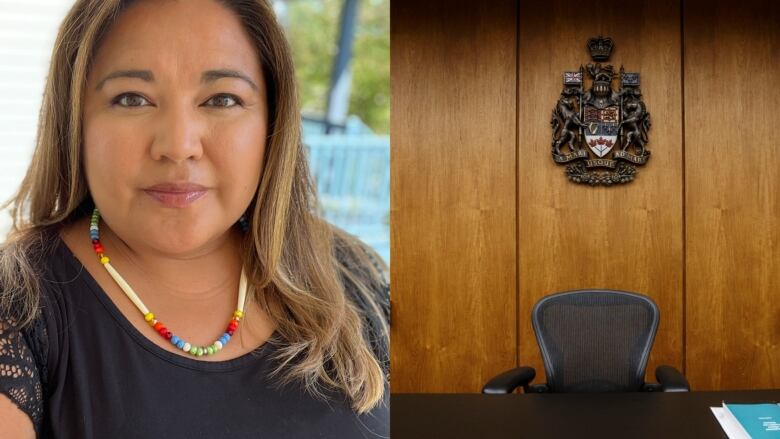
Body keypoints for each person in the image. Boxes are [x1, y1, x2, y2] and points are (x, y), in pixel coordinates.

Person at [0, 0, 389, 437]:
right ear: (76, 122)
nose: (179, 144)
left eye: (222, 99)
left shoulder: (356, 274)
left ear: (272, 121)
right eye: (132, 99)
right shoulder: (18, 306)